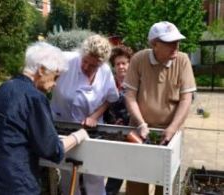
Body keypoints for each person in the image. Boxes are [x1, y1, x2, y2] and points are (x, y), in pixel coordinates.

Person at [0, 42, 89, 195]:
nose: (55, 84)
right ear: (41, 70)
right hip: (14, 184)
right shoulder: (35, 98)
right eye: (55, 77)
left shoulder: (5, 87)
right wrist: (78, 136)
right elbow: (51, 150)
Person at [123, 21, 196, 195]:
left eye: (177, 41)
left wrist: (171, 128)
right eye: (170, 42)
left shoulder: (183, 60)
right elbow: (130, 95)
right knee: (137, 179)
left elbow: (186, 99)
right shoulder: (138, 59)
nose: (176, 46)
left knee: (166, 184)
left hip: (170, 132)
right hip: (140, 132)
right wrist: (141, 124)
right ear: (154, 44)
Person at [50, 34, 119, 195]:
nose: (87, 67)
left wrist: (95, 116)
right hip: (63, 125)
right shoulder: (66, 60)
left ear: (101, 64)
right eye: (85, 61)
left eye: (93, 65)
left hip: (91, 129)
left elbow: (110, 98)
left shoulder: (105, 72)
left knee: (95, 174)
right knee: (67, 172)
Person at [104, 45, 133, 195]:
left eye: (124, 63)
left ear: (129, 64)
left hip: (130, 132)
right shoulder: (108, 82)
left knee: (122, 167)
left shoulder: (136, 83)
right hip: (110, 132)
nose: (121, 67)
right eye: (117, 64)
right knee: (106, 164)